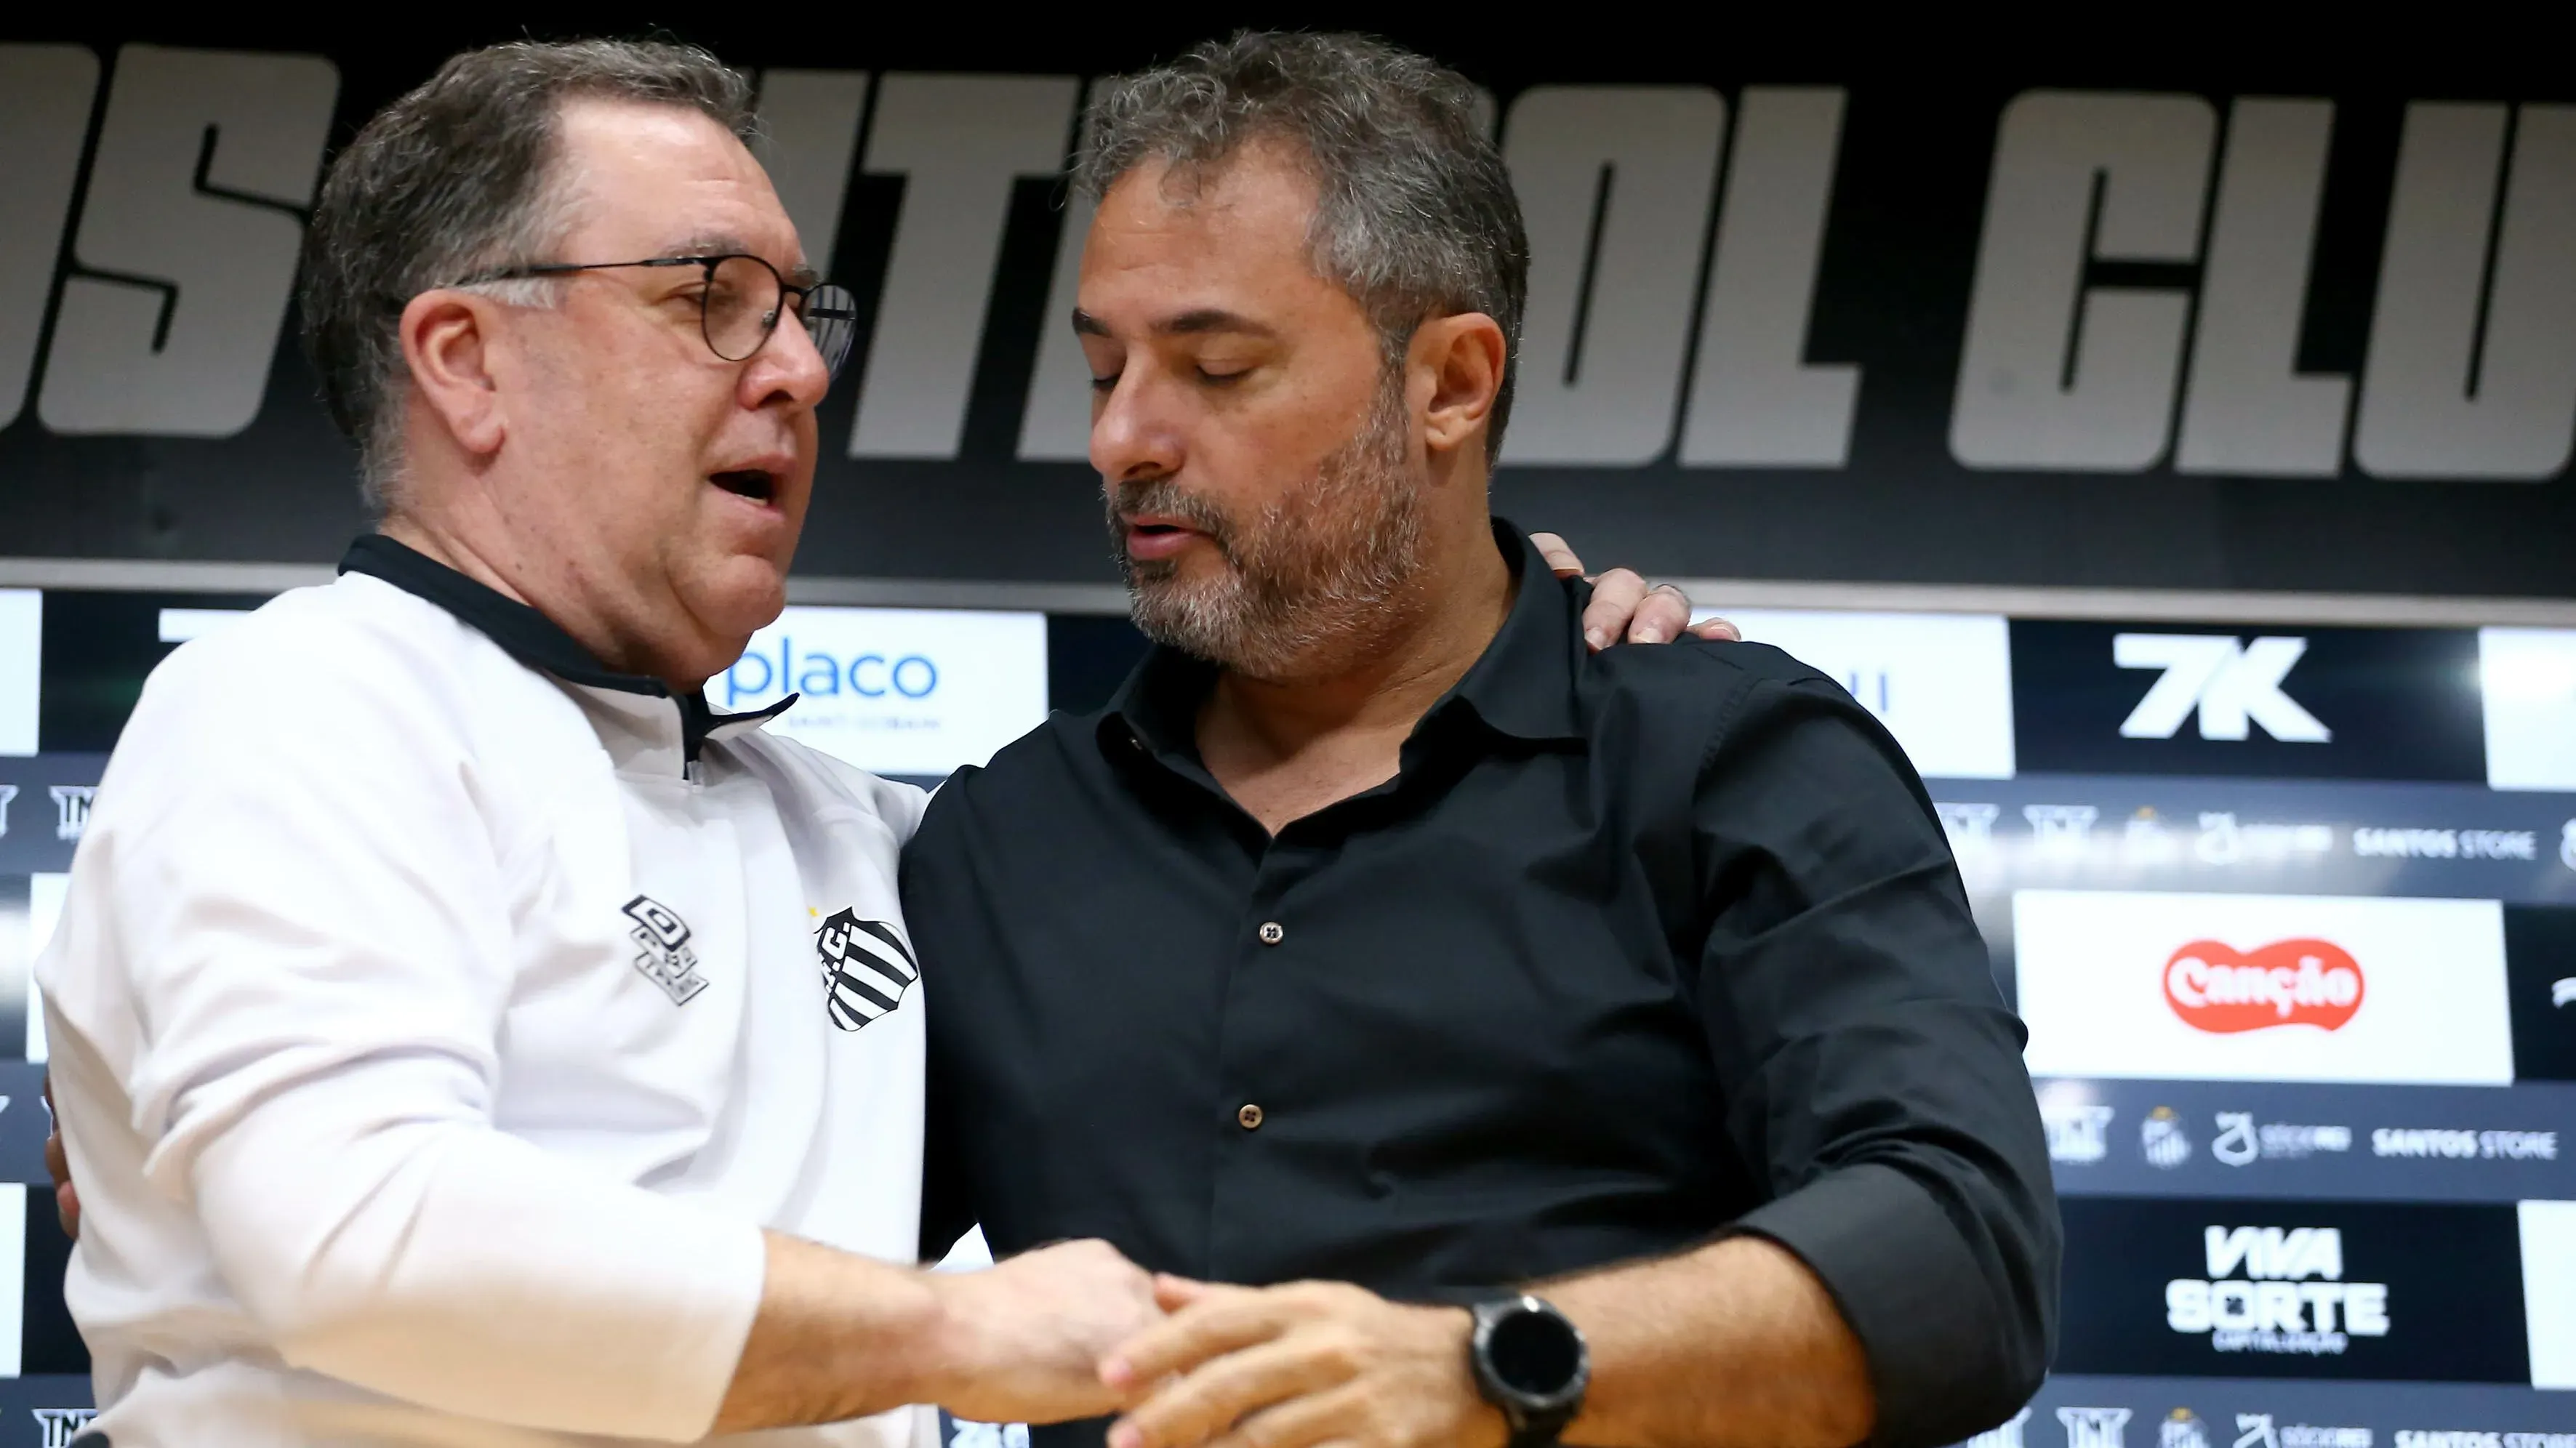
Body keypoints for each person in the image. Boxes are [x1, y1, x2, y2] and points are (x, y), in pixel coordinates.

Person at [32, 36, 1706, 1448]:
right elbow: (358, 1236)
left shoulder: (866, 836)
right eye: (711, 299)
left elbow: (1206, 887)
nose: (797, 370)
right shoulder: (305, 701)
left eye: (796, 309)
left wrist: (1473, 625)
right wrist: (956, 1331)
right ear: (467, 362)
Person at [901, 33, 2059, 1448]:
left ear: (1449, 382)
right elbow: (765, 1252)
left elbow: (1959, 1254)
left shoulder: (1729, 764)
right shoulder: (997, 839)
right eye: (1102, 370)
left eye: (1215, 366)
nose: (1121, 438)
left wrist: (1488, 1368)